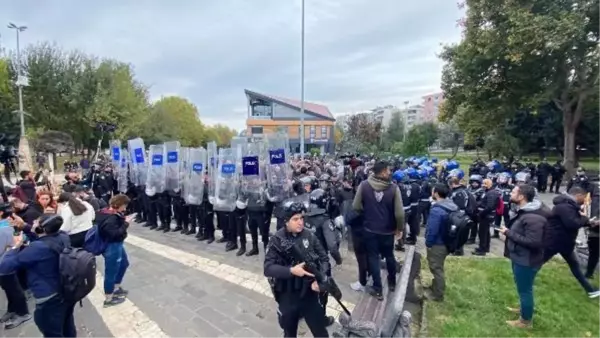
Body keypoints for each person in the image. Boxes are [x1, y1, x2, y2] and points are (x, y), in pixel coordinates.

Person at [0, 214, 76, 337]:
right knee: (67, 324)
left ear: (42, 229)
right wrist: (24, 226)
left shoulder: (37, 248)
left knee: (50, 330)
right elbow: (43, 239)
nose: (33, 222)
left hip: (49, 296)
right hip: (65, 289)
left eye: (36, 221)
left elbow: (5, 267)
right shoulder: (62, 236)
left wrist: (15, 247)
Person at [263, 201, 329, 338]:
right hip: (288, 295)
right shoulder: (277, 240)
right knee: (289, 333)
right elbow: (268, 268)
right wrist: (291, 271)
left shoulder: (309, 236)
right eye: (295, 219)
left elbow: (324, 258)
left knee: (321, 333)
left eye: (302, 218)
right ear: (286, 221)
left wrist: (320, 280)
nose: (300, 222)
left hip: (309, 293)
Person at [352, 160, 404, 300]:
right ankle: (392, 282)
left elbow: (356, 206)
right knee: (389, 256)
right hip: (388, 231)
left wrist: (368, 212)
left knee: (373, 258)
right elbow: (399, 213)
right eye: (388, 170)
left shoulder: (364, 185)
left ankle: (378, 289)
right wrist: (399, 228)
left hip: (370, 229)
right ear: (382, 172)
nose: (390, 172)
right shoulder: (393, 188)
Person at [498, 184, 548, 329]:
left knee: (525, 289)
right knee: (522, 287)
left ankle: (525, 321)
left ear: (522, 197)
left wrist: (508, 233)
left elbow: (533, 242)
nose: (510, 194)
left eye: (513, 192)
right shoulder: (525, 211)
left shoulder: (533, 217)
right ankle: (524, 308)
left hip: (527, 260)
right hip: (520, 256)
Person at [543, 187, 600, 298]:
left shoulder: (569, 206)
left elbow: (575, 221)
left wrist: (590, 222)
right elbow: (572, 223)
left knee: (575, 266)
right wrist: (585, 219)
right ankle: (524, 277)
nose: (585, 200)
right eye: (584, 197)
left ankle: (590, 289)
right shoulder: (564, 207)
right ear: (578, 195)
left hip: (564, 243)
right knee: (538, 261)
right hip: (556, 241)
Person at [95, 194, 132, 307]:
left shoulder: (106, 212)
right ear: (119, 205)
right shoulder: (111, 218)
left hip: (117, 244)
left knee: (124, 264)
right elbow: (114, 234)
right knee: (111, 271)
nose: (125, 209)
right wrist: (126, 223)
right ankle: (109, 298)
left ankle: (116, 287)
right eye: (124, 206)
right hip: (112, 246)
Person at [0, 203, 31, 329]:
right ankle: (12, 308)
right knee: (9, 288)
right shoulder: (10, 224)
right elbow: (23, 238)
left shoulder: (3, 229)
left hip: (5, 264)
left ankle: (23, 313)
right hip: (10, 261)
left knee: (13, 288)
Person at [424, 183, 457, 301]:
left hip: (438, 243)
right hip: (447, 242)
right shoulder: (451, 205)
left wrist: (428, 243)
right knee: (438, 266)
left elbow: (432, 229)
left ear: (436, 193)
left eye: (433, 191)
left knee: (436, 268)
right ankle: (435, 287)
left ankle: (437, 294)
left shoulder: (437, 210)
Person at [473, 178, 500, 256]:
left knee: (482, 232)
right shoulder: (488, 192)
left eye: (485, 184)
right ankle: (485, 247)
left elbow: (489, 206)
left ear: (489, 185)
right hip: (487, 215)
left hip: (487, 215)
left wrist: (481, 213)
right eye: (483, 184)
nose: (483, 186)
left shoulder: (491, 193)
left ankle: (482, 249)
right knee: (486, 232)